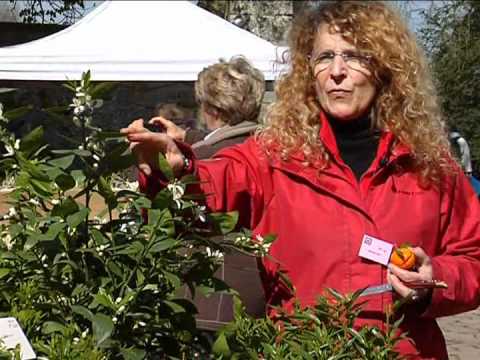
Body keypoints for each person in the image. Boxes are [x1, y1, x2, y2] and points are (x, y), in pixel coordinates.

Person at [122, 1, 480, 358]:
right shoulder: (274, 157)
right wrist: (176, 170)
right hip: (302, 350)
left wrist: (434, 280)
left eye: (355, 56)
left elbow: (473, 258)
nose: (337, 71)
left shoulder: (429, 165)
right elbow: (215, 183)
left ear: (385, 67)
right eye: (324, 57)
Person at [144, 57, 267, 332]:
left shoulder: (202, 161)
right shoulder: (270, 148)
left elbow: (160, 221)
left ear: (210, 107)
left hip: (208, 301)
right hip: (257, 295)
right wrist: (188, 137)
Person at [152, 56, 263, 159]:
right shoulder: (268, 144)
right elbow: (227, 137)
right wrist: (186, 136)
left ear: (213, 109)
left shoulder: (201, 158)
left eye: (201, 102)